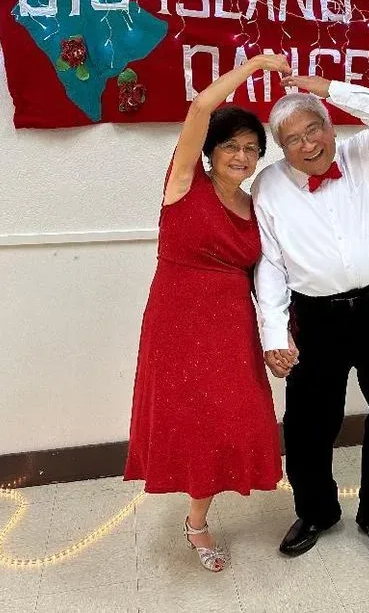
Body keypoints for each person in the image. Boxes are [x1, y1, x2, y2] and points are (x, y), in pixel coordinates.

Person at [125, 53, 292, 572]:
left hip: (231, 323)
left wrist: (281, 335)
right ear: (210, 151)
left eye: (251, 149)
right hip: (177, 318)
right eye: (231, 146)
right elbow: (200, 107)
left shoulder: (256, 206)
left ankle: (201, 508)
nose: (241, 156)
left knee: (231, 417)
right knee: (192, 419)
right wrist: (256, 64)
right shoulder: (183, 182)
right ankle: (197, 522)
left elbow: (270, 276)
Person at [253, 74, 369, 565]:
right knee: (308, 421)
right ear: (281, 148)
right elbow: (270, 265)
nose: (308, 145)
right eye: (293, 139)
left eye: (314, 129)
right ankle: (316, 512)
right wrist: (273, 334)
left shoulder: (366, 153)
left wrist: (329, 88)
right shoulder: (268, 186)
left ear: (331, 125)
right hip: (316, 316)